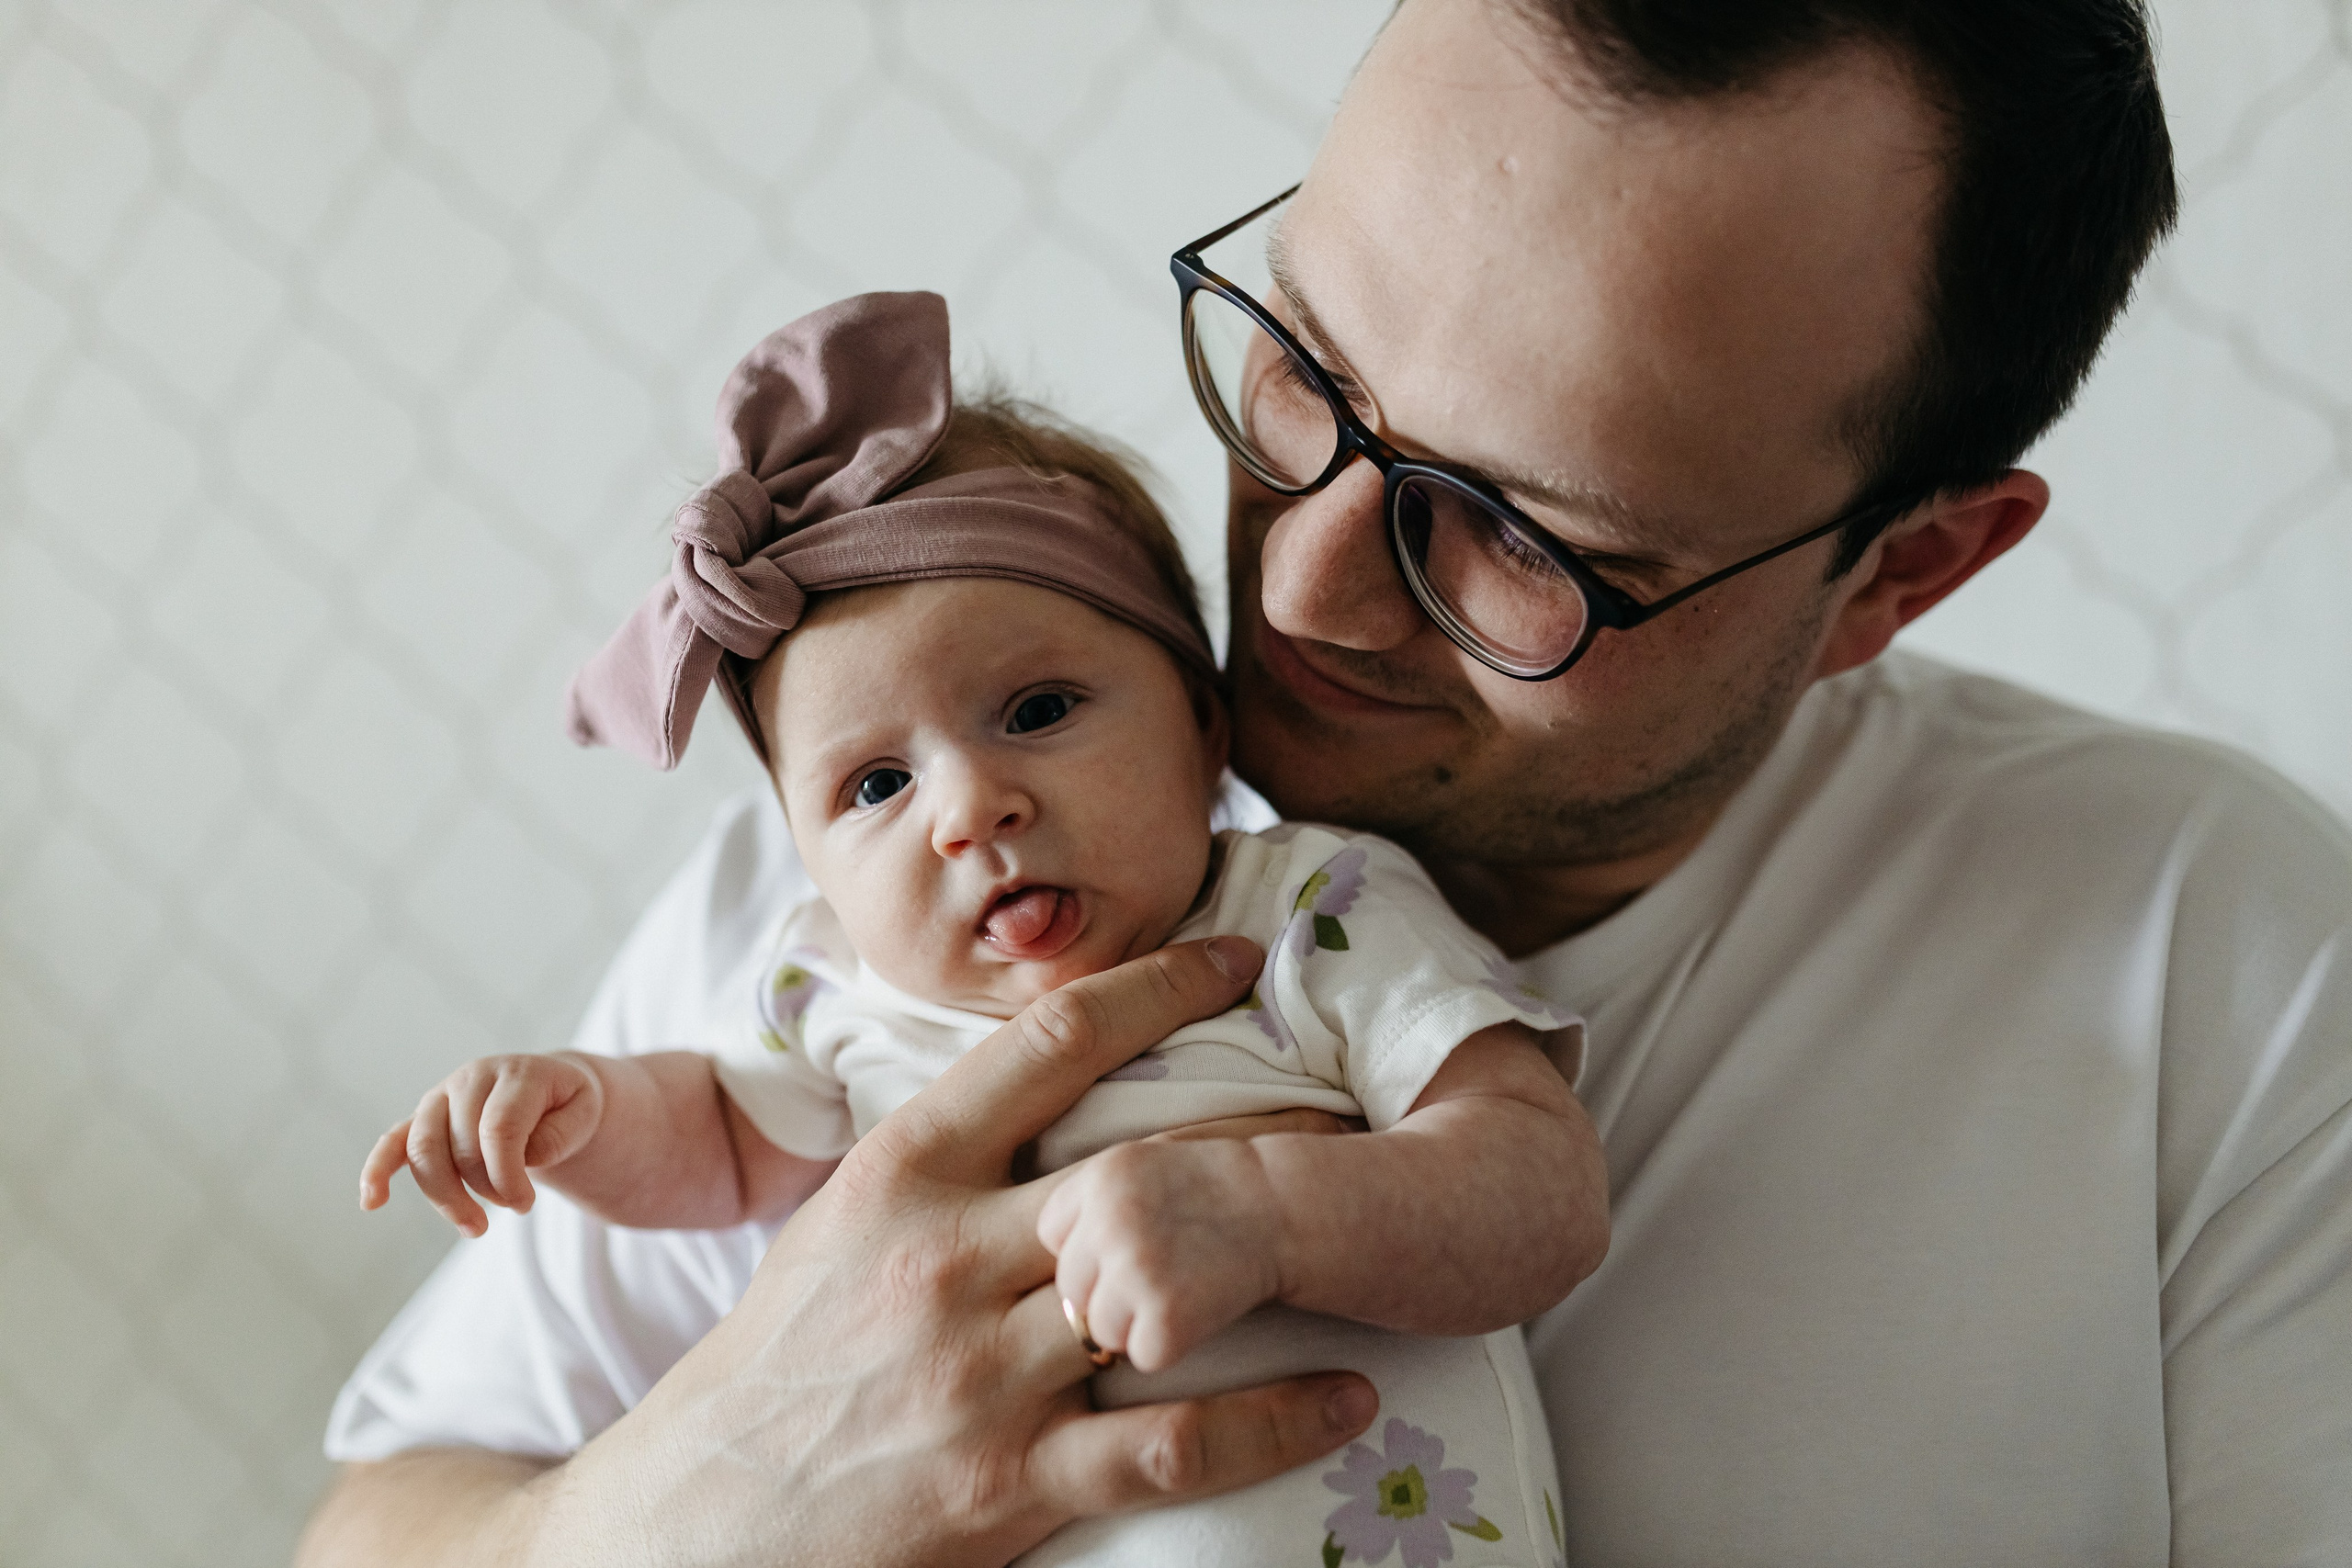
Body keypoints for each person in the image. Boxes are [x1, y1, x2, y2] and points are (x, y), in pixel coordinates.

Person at [301, 1, 2352, 1563]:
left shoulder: (2224, 976)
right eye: (1301, 371)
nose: (1294, 584)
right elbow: (381, 1525)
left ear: (1902, 569)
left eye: (1522, 535)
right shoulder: (866, 912)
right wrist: (722, 1496)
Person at [356, 291, 1604, 1565]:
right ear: (807, 860)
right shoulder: (832, 989)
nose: (968, 810)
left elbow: (1543, 1188)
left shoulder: (1310, 912)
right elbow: (721, 1148)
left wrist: (1269, 1213)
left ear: (1202, 727)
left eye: (1038, 710)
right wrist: (576, 1115)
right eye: (876, 786)